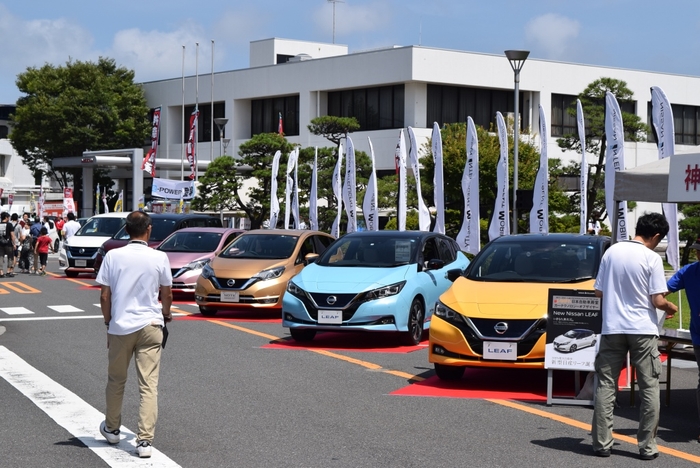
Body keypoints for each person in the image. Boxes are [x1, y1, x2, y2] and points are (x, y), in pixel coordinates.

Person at [592, 212, 678, 460]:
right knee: (649, 386)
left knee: (606, 384)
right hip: (642, 329)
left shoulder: (612, 252)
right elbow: (658, 300)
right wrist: (670, 308)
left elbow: (598, 293)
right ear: (657, 236)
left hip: (612, 327)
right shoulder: (652, 258)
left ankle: (602, 443)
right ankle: (647, 447)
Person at [95, 211, 173, 458]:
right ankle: (144, 442)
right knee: (148, 385)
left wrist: (108, 323)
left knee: (116, 381)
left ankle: (112, 428)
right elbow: (167, 293)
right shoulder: (159, 257)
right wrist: (166, 314)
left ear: (126, 229)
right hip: (151, 325)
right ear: (148, 229)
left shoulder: (113, 256)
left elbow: (104, 296)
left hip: (120, 326)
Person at [666, 237, 700, 443]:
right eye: (697, 250)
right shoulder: (689, 271)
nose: (698, 254)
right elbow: (662, 291)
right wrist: (665, 306)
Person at [0, 211, 16, 278]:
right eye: (8, 217)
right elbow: (12, 235)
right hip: (8, 243)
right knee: (10, 257)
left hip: (0, 243)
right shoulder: (9, 224)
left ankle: (1, 272)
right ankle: (8, 271)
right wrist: (14, 244)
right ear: (6, 217)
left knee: (1, 257)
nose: (9, 218)